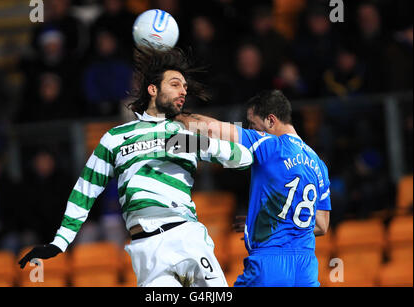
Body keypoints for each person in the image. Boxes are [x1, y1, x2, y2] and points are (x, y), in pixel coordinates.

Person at [18, 46, 254, 287]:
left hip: (186, 237)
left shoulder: (182, 132)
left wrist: (199, 143)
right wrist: (60, 241)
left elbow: (243, 158)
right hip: (147, 251)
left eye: (184, 86)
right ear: (153, 89)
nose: (183, 91)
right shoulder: (115, 137)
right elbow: (84, 190)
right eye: (175, 84)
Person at [175, 90, 331, 287]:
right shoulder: (319, 165)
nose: (249, 129)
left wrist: (175, 115)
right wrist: (269, 221)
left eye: (252, 124)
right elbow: (322, 225)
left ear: (271, 121)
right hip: (306, 268)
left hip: (269, 265)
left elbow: (212, 130)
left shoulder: (270, 144)